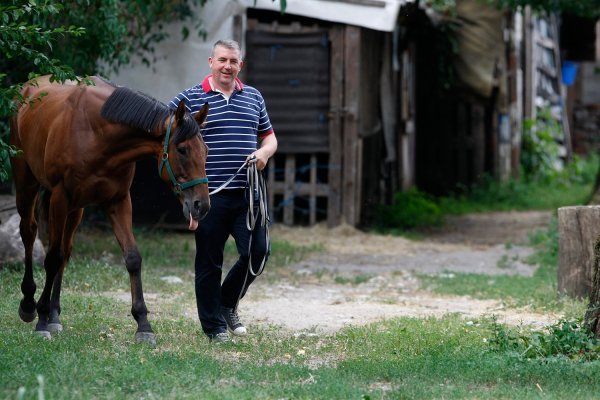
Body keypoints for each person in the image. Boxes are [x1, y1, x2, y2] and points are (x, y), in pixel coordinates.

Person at [170, 39, 278, 343]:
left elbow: (270, 139)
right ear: (210, 62)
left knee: (258, 252)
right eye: (222, 60)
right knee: (208, 261)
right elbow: (164, 137)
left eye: (233, 61)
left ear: (240, 65)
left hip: (248, 195)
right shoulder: (189, 99)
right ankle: (214, 327)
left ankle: (227, 303)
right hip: (210, 195)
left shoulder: (254, 97)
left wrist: (264, 154)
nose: (227, 66)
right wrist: (184, 199)